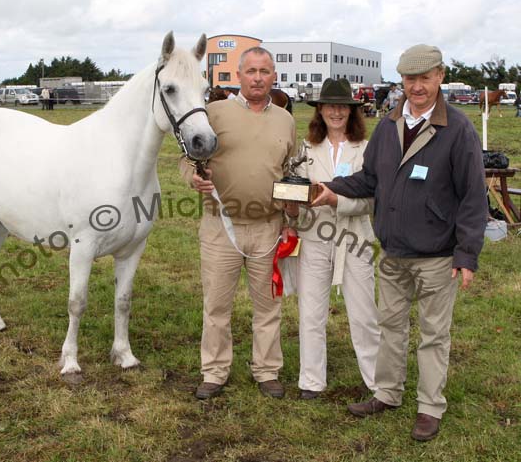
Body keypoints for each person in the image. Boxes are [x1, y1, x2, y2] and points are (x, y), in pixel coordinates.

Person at [316, 44, 487, 441]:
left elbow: (474, 198)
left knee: (433, 334)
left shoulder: (457, 129)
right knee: (390, 326)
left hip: (438, 256)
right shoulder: (389, 125)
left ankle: (430, 407)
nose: (417, 86)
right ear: (402, 81)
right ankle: (388, 393)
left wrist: (467, 254)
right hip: (393, 253)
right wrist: (331, 189)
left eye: (425, 77)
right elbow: (368, 180)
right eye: (410, 79)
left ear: (440, 76)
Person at [180, 47, 297, 399]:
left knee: (268, 306)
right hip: (221, 227)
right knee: (216, 305)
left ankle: (267, 371)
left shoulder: (286, 120)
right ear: (239, 75)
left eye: (264, 71)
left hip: (268, 227)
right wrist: (193, 179)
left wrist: (292, 216)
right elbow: (187, 159)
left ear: (273, 75)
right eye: (251, 71)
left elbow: (290, 171)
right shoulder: (214, 113)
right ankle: (214, 371)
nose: (258, 78)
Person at [286, 78, 380, 400]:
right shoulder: (306, 149)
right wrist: (290, 207)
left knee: (363, 314)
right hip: (314, 238)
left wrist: (336, 201)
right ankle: (311, 380)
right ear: (320, 110)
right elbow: (294, 192)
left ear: (352, 111)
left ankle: (377, 383)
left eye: (343, 107)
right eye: (330, 106)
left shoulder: (367, 149)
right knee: (310, 313)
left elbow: (372, 200)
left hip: (355, 240)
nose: (336, 112)